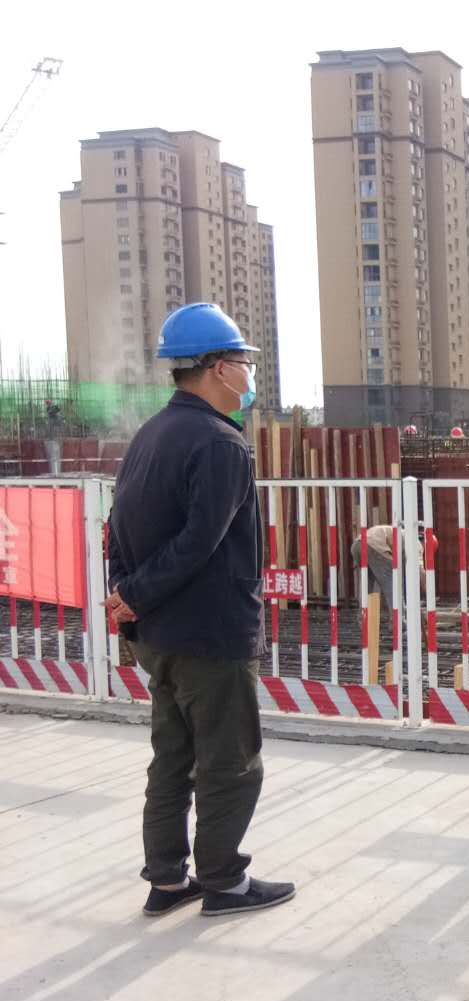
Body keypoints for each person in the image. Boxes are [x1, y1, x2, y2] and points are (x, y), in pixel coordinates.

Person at [106, 303, 295, 918]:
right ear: (217, 368)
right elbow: (198, 544)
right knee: (230, 764)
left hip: (158, 635)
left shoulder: (151, 434)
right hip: (209, 635)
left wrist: (127, 594)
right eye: (243, 362)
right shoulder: (221, 444)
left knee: (173, 759)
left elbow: (117, 528)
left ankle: (166, 881)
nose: (249, 373)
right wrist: (136, 593)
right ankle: (224, 881)